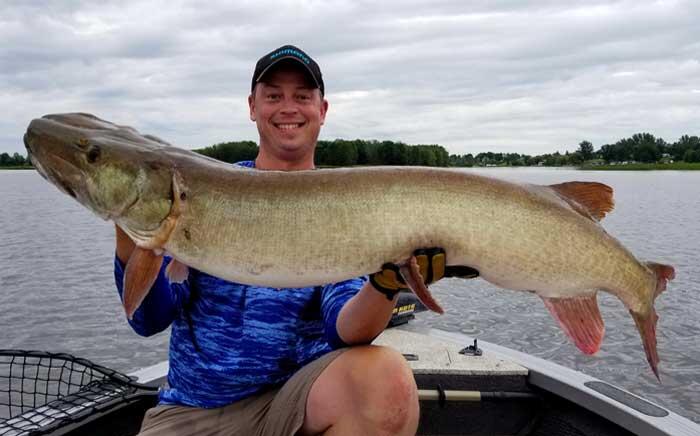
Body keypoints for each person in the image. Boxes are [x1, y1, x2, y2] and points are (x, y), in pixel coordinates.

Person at [114, 45, 454, 436]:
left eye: (302, 97)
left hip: (295, 408)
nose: (288, 107)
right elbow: (149, 319)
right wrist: (130, 231)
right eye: (273, 95)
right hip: (192, 412)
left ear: (322, 110)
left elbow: (345, 329)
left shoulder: (342, 206)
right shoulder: (197, 193)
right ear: (252, 106)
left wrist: (387, 284)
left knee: (385, 379)